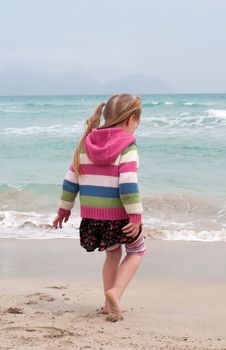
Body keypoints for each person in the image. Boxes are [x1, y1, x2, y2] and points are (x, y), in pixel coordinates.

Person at [52, 93, 146, 322]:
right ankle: (115, 293)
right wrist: (135, 216)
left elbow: (70, 180)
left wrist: (64, 210)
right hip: (119, 217)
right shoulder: (127, 146)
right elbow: (128, 184)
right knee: (137, 251)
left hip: (93, 218)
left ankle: (107, 305)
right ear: (130, 118)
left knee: (112, 254)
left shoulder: (86, 143)